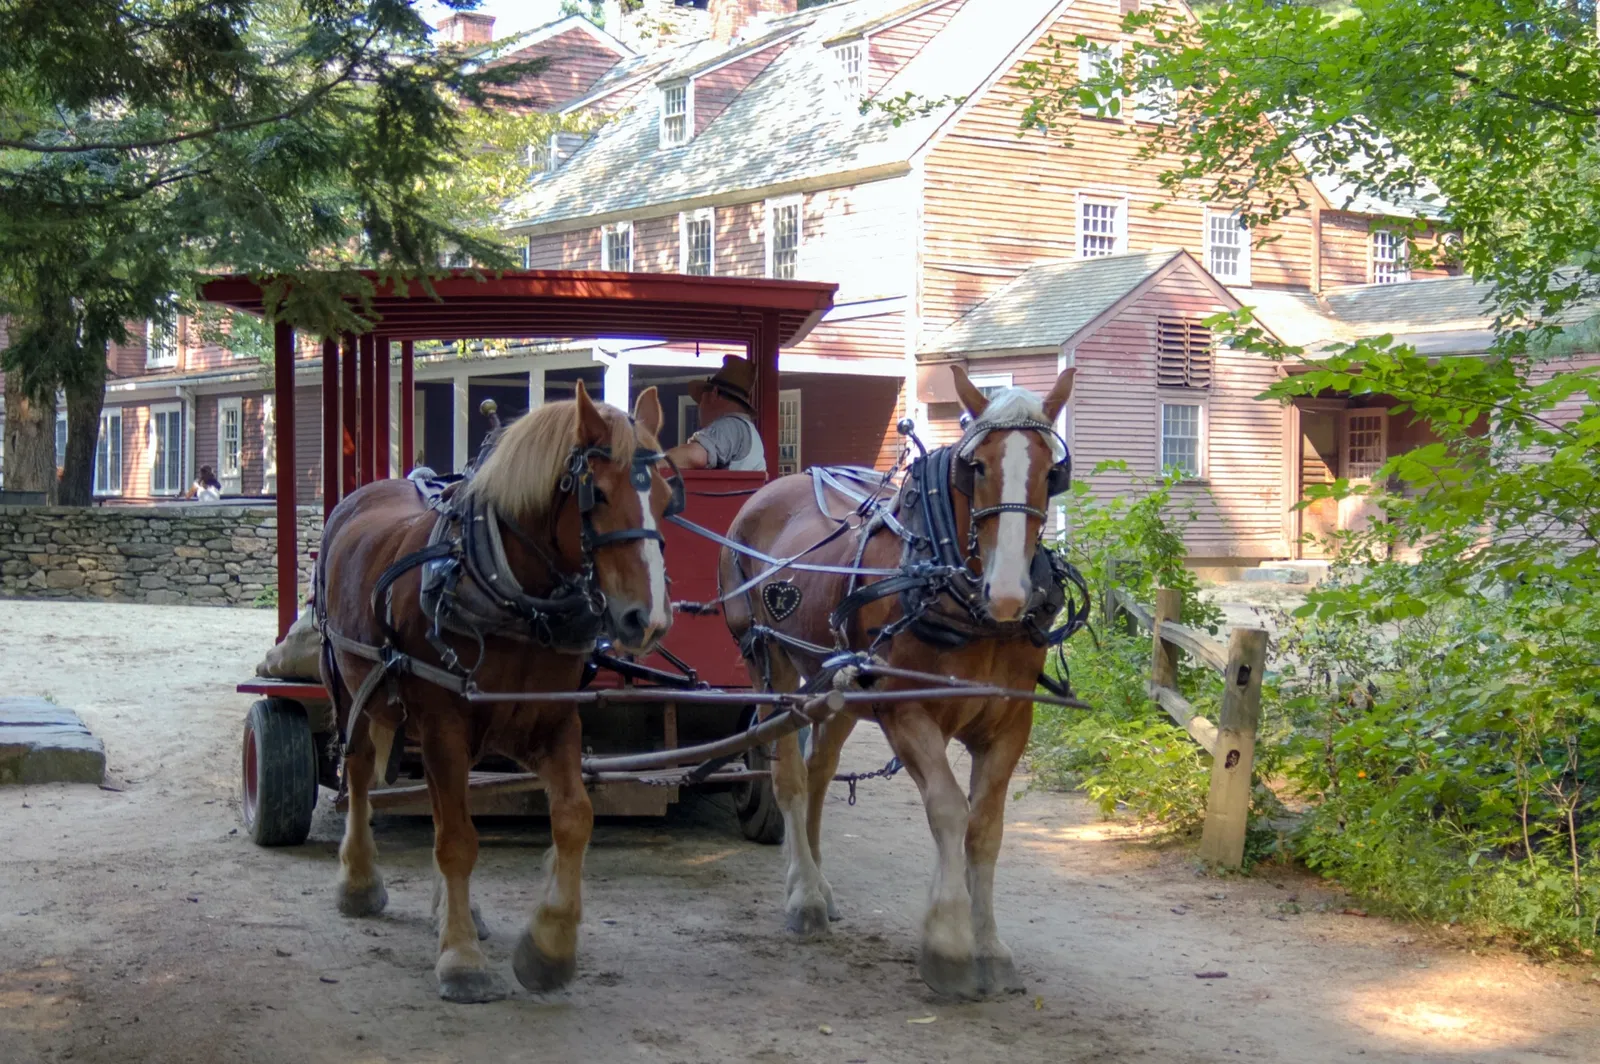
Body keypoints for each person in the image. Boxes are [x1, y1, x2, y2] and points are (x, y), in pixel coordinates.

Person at [665, 355, 767, 472]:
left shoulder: (731, 425)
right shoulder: (745, 429)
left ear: (714, 394)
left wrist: (651, 463)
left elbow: (695, 456)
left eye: (701, 400)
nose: (700, 407)